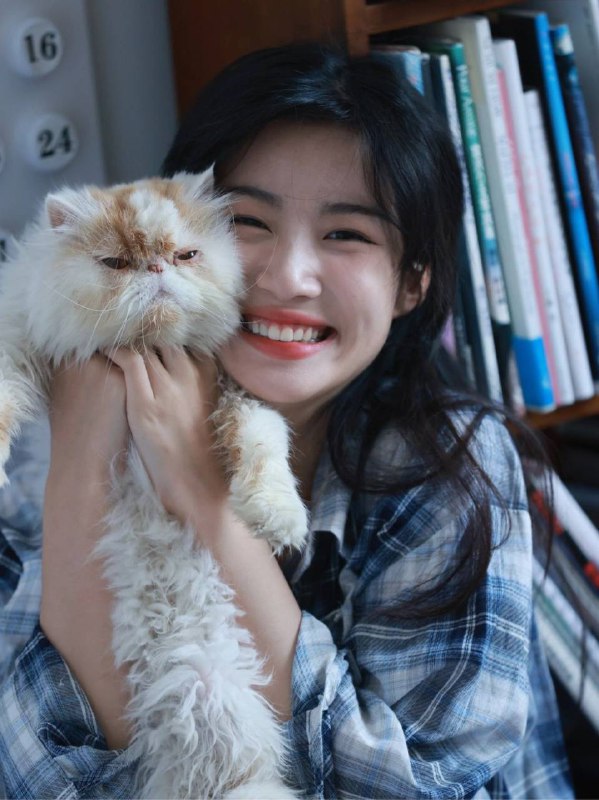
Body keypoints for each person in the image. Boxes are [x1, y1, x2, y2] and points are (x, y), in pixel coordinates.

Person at [0, 42, 572, 798]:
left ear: (411, 283)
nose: (287, 277)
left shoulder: (454, 468)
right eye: (246, 220)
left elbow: (407, 787)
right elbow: (39, 769)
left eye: (347, 234)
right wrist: (80, 465)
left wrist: (205, 498)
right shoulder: (37, 426)